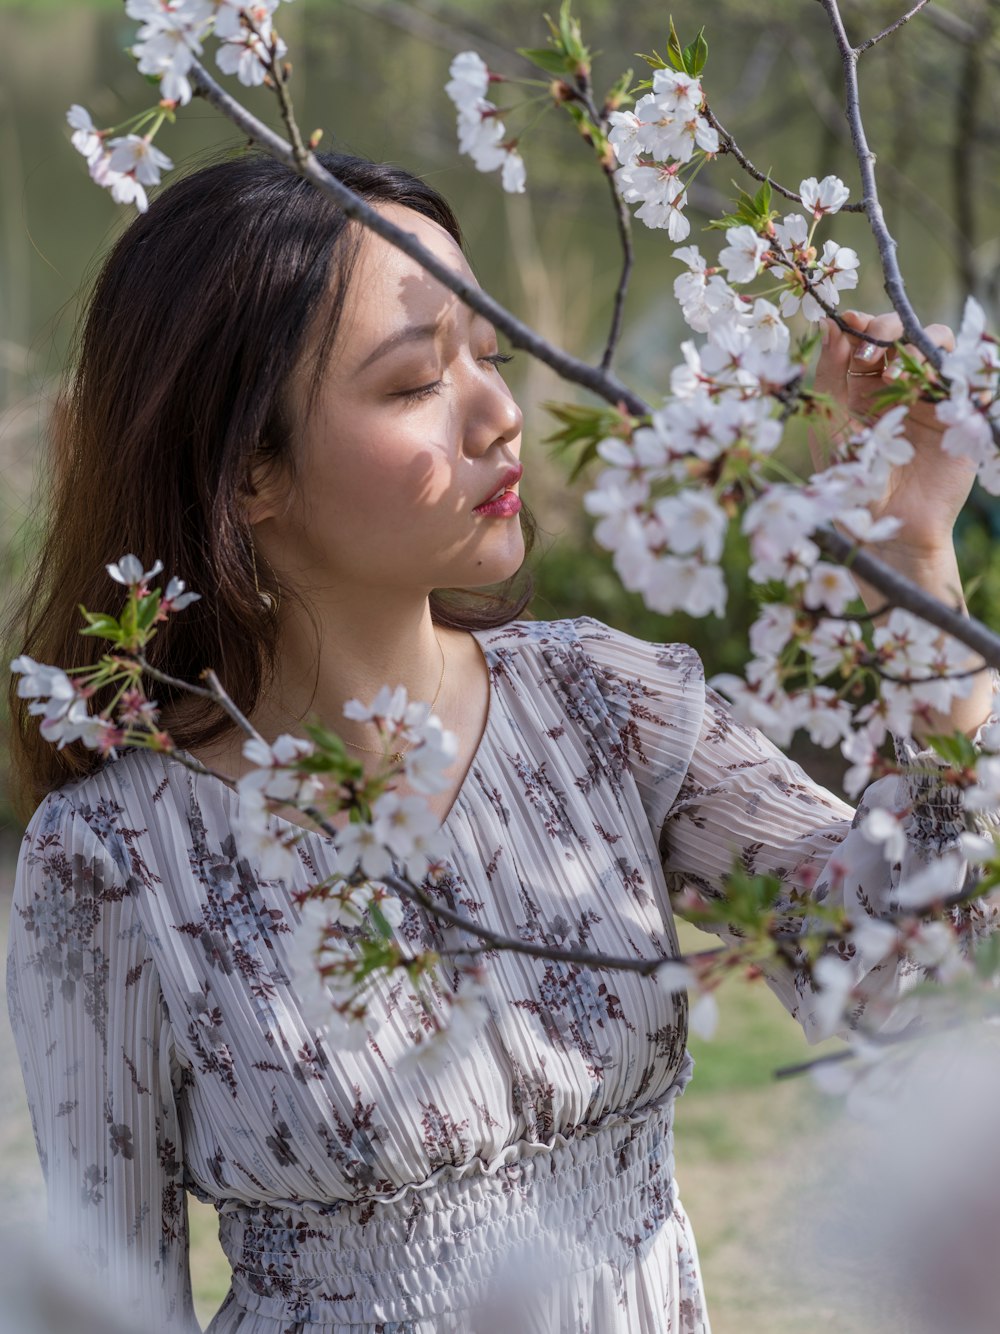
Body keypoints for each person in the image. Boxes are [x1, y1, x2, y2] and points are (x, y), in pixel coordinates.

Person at [5, 151, 997, 1334]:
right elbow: (108, 1301)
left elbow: (915, 978)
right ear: (251, 470)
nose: (502, 411)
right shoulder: (117, 854)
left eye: (493, 354)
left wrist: (909, 548)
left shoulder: (605, 706)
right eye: (417, 380)